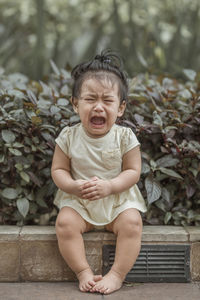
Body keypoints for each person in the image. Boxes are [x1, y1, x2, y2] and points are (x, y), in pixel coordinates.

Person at [51, 49, 147, 295]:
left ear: (121, 108)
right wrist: (72, 186)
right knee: (64, 223)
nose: (98, 107)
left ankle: (116, 274)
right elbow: (59, 169)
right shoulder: (69, 136)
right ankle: (83, 271)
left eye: (107, 100)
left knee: (133, 223)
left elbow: (133, 171)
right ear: (75, 104)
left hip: (117, 201)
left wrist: (111, 186)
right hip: (79, 202)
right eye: (90, 99)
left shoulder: (125, 136)